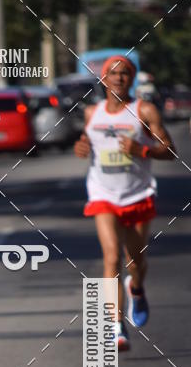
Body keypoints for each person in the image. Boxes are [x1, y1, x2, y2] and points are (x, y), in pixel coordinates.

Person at [74, 55, 175, 350]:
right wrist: (81, 146)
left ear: (132, 79)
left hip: (138, 194)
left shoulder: (143, 110)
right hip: (103, 194)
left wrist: (141, 150)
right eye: (113, 74)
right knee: (110, 258)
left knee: (136, 262)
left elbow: (170, 150)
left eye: (125, 73)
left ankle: (138, 288)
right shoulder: (93, 113)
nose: (119, 78)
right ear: (103, 79)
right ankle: (117, 327)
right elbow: (88, 141)